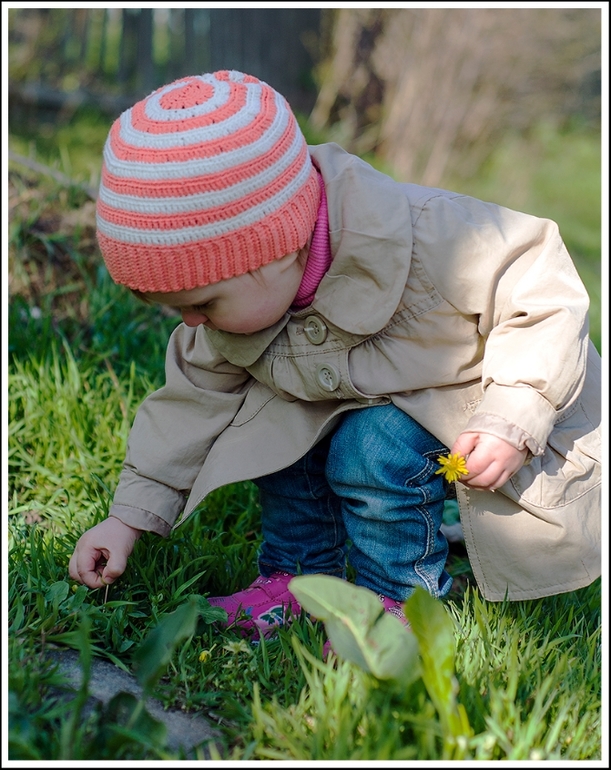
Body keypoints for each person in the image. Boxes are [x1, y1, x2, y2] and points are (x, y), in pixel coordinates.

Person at [69, 70, 601, 637]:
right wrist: (128, 517)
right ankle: (298, 579)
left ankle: (397, 602)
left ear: (274, 248)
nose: (192, 323)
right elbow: (188, 404)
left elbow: (543, 297)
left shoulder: (439, 237)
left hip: (469, 406)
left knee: (370, 448)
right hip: (347, 391)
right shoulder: (239, 304)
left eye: (202, 302)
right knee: (276, 429)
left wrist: (514, 414)